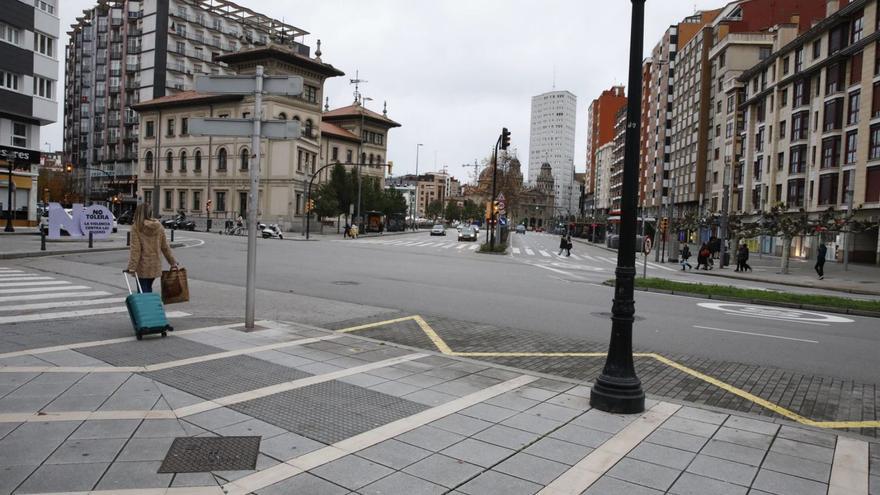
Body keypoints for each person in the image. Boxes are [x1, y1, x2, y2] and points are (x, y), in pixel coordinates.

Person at [126, 203, 179, 293]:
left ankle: (146, 307)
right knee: (148, 289)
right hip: (155, 266)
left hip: (142, 266)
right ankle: (149, 306)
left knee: (142, 292)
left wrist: (132, 267)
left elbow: (136, 249)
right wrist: (172, 262)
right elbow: (165, 247)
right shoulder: (158, 226)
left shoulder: (137, 227)